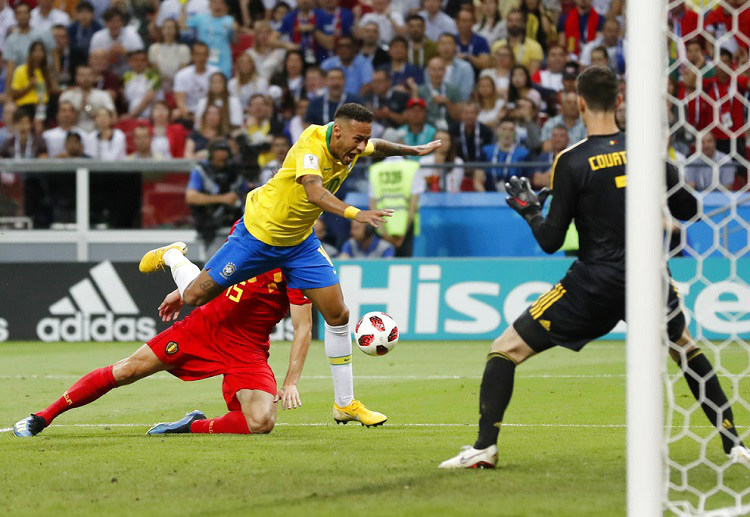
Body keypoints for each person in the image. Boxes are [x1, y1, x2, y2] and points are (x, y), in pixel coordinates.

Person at [439, 65, 750, 469]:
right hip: (648, 278)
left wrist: (530, 210)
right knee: (685, 349)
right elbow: (688, 209)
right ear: (619, 102)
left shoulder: (571, 160)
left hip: (594, 283)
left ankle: (484, 447)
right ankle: (735, 446)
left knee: (505, 350)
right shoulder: (644, 153)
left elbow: (551, 241)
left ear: (580, 103)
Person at [138, 103, 440, 426]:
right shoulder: (312, 145)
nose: (362, 147)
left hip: (298, 242)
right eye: (358, 139)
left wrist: (412, 150)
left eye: (365, 139)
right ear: (337, 131)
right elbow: (313, 191)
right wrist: (356, 213)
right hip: (260, 235)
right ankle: (173, 255)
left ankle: (345, 403)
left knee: (338, 314)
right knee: (195, 296)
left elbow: (378, 147)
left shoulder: (350, 146)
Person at [13, 267, 313, 438]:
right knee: (127, 370)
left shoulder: (301, 264)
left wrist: (291, 382)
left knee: (260, 422)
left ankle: (188, 426)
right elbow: (217, 270)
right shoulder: (251, 231)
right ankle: (42, 416)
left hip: (247, 348)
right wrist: (185, 292)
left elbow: (303, 328)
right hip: (203, 329)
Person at [186, 138, 248, 247]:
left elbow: (247, 192)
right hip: (210, 225)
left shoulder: (235, 170)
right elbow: (191, 197)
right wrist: (223, 198)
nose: (223, 162)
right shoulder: (201, 170)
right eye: (219, 159)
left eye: (225, 159)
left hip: (236, 225)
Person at [368, 153, 424, 256]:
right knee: (404, 268)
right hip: (406, 227)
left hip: (382, 227)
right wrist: (403, 235)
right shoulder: (412, 167)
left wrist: (384, 234)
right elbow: (413, 205)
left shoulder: (375, 169)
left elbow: (372, 205)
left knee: (382, 266)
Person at [183, 0, 236, 78]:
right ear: (209, 5)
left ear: (224, 6)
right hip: (204, 59)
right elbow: (182, 25)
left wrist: (235, 31)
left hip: (223, 60)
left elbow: (236, 41)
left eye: (220, 3)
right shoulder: (200, 18)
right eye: (214, 2)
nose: (217, 5)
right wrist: (183, 6)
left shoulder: (230, 20)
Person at [10, 40, 55, 129]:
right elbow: (14, 95)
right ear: (30, 53)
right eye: (35, 51)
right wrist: (29, 86)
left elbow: (50, 92)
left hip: (43, 107)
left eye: (41, 51)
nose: (38, 54)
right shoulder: (21, 70)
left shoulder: (46, 72)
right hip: (26, 107)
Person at [58, 65, 116, 133]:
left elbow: (113, 117)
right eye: (82, 75)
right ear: (76, 77)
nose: (85, 78)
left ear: (94, 77)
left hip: (97, 132)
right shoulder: (67, 95)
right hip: (71, 133)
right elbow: (60, 117)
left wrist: (87, 107)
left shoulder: (103, 95)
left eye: (89, 75)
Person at [477, 118, 530, 192]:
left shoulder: (523, 153)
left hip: (515, 198)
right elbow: (477, 182)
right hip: (489, 197)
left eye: (511, 130)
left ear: (515, 133)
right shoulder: (486, 151)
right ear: (497, 131)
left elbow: (526, 183)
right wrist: (486, 198)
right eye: (504, 129)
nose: (507, 133)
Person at [173, 42, 221, 122]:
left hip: (211, 114)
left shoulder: (216, 72)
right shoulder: (181, 75)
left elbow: (219, 98)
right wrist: (194, 117)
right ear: (192, 56)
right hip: (190, 114)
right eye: (198, 55)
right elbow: (180, 103)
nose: (201, 58)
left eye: (204, 55)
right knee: (176, 114)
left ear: (208, 56)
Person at [89, 7, 145, 75]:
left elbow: (142, 57)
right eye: (111, 21)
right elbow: (91, 60)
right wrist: (108, 55)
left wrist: (126, 53)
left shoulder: (132, 35)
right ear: (105, 23)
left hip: (130, 73)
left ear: (122, 22)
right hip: (104, 74)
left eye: (118, 21)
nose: (115, 25)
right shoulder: (97, 36)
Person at [490, 9, 543, 75]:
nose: (514, 23)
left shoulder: (535, 47)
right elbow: (493, 70)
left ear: (524, 23)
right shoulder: (497, 45)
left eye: (517, 21)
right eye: (511, 21)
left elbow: (532, 75)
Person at [416, 57, 461, 129]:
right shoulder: (420, 90)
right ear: (428, 71)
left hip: (449, 128)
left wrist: (447, 103)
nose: (437, 73)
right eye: (433, 69)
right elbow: (416, 117)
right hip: (426, 129)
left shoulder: (453, 90)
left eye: (440, 69)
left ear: (445, 71)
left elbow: (458, 116)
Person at [147, 18, 191, 87]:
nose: (168, 31)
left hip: (178, 83)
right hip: (159, 83)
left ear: (176, 30)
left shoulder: (184, 49)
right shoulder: (154, 48)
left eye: (171, 28)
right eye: (165, 28)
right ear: (161, 30)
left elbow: (183, 70)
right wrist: (163, 80)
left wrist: (174, 81)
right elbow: (154, 68)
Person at [123, 49, 163, 120]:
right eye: (135, 60)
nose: (139, 63)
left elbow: (149, 98)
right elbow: (126, 99)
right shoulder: (127, 76)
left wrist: (131, 115)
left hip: (151, 117)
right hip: (132, 116)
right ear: (130, 62)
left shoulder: (155, 75)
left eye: (142, 60)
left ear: (147, 62)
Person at [68, 1, 102, 72]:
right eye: (81, 13)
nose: (84, 16)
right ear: (76, 14)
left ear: (93, 14)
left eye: (87, 13)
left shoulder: (99, 28)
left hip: (93, 58)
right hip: (76, 59)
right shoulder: (71, 28)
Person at [532, 124, 568, 188]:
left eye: (562, 136)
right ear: (550, 139)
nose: (557, 139)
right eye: (554, 136)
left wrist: (548, 176)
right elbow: (536, 180)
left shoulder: (571, 157)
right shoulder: (543, 157)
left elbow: (570, 181)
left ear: (568, 140)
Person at [455, 9, 491, 73]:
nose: (467, 24)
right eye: (463, 21)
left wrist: (468, 57)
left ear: (473, 23)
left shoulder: (481, 41)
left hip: (476, 77)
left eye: (469, 21)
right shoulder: (451, 40)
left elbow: (486, 64)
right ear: (457, 23)